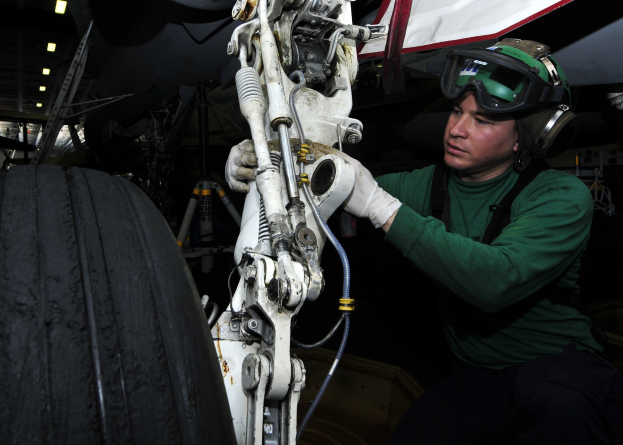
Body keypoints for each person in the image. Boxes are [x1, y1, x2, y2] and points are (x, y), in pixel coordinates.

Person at [225, 38, 623, 443]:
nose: (458, 129)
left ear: (524, 138)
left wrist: (382, 207)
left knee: (555, 404)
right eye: (456, 111)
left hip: (557, 368)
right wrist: (265, 162)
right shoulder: (429, 186)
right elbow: (324, 186)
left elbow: (497, 280)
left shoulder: (559, 196)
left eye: (482, 121)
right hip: (479, 376)